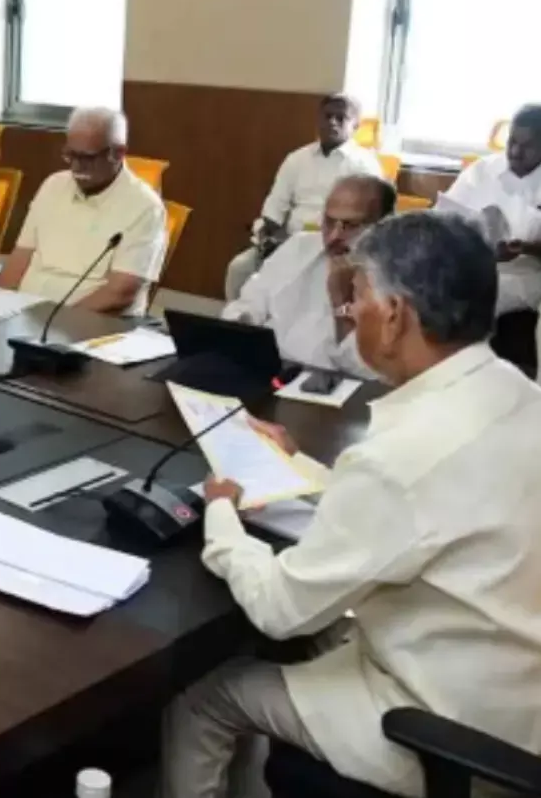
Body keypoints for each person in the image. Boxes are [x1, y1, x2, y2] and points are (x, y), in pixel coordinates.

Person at [162, 212, 541, 798]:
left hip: (448, 722)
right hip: (512, 688)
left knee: (203, 700)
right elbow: (419, 511)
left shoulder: (399, 459)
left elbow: (278, 607)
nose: (347, 311)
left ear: (394, 317)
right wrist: (299, 469)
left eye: (355, 296)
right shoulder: (517, 391)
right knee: (303, 648)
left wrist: (220, 511)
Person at [0, 108, 165, 316]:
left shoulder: (145, 206)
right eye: (70, 155)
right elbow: (20, 257)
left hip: (92, 323)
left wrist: (57, 321)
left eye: (87, 158)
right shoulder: (53, 185)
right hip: (27, 313)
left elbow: (121, 293)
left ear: (118, 153)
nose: (76, 167)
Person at [222, 174, 395, 377]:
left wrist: (342, 302)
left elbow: (366, 371)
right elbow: (246, 304)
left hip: (327, 383)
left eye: (350, 226)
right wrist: (241, 323)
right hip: (264, 367)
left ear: (385, 225)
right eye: (329, 222)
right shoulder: (298, 247)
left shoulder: (393, 279)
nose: (334, 236)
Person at [225, 94, 382, 300]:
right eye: (327, 116)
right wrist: (267, 240)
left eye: (340, 118)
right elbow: (274, 209)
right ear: (318, 120)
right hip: (290, 243)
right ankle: (238, 320)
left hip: (335, 248)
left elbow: (369, 222)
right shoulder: (296, 159)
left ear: (355, 126)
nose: (332, 122)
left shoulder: (365, 166)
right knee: (239, 269)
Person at [439, 104, 541, 316]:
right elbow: (443, 218)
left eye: (527, 146)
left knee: (471, 299)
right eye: (512, 142)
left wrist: (525, 248)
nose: (515, 152)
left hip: (523, 274)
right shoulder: (481, 170)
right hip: (469, 263)